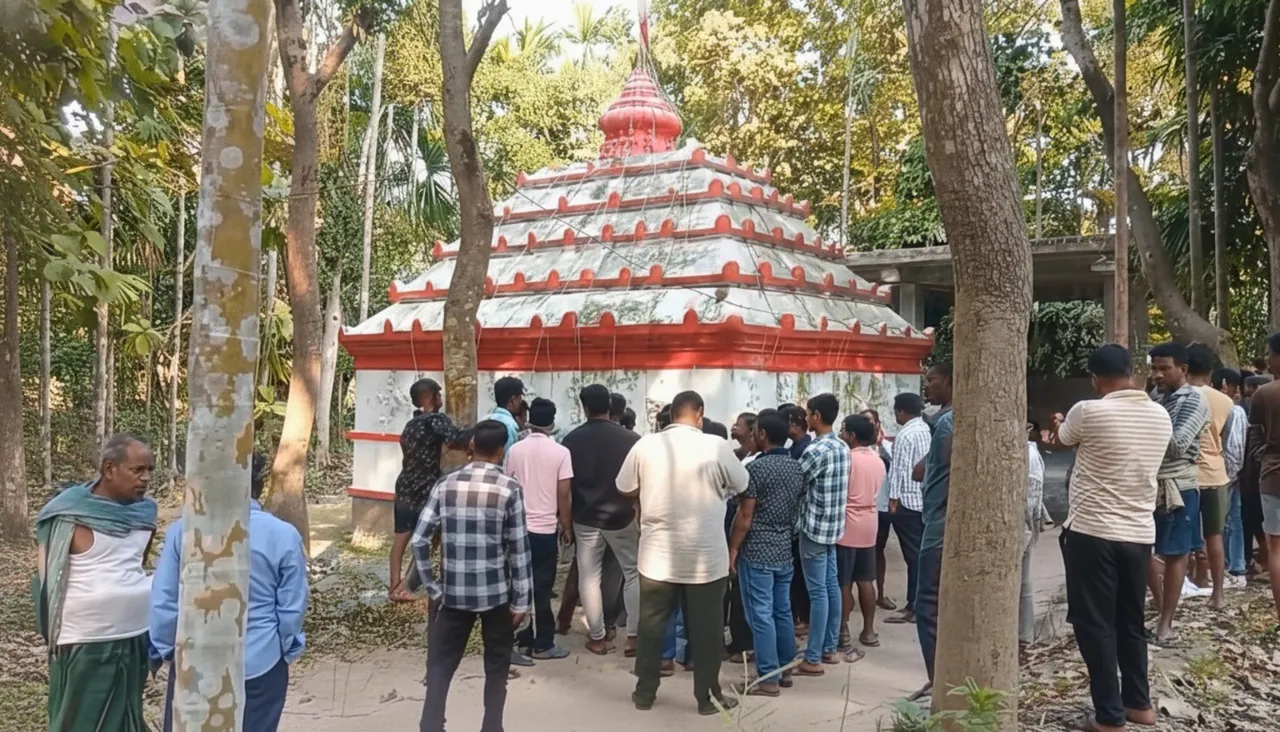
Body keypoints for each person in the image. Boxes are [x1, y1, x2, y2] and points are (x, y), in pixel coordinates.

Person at [1049, 344, 1168, 732]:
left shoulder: (1089, 409)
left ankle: (1108, 715)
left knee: (1094, 622)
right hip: (1138, 534)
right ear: (1132, 372)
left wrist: (1056, 423)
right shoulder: (1160, 415)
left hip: (1092, 532)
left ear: (1095, 378)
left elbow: (1062, 440)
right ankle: (1139, 704)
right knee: (1130, 620)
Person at [152, 454, 307, 732]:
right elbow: (290, 609)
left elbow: (165, 601)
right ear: (260, 484)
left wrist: (167, 650)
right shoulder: (283, 535)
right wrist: (287, 646)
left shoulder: (183, 531)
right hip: (260, 660)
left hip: (194, 660)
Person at [619, 390, 749, 715]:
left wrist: (643, 497)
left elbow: (623, 487)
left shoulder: (646, 445)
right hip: (706, 557)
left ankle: (644, 693)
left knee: (650, 628)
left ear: (671, 414)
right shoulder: (716, 446)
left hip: (657, 557)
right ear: (699, 414)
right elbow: (743, 485)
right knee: (707, 633)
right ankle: (707, 698)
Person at [414, 420, 533, 732]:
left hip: (453, 596)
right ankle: (492, 726)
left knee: (441, 666)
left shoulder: (445, 485)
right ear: (501, 450)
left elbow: (419, 540)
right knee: (496, 668)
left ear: (471, 447)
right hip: (496, 597)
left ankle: (431, 724)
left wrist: (433, 587)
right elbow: (519, 550)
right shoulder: (509, 488)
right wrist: (522, 602)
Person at [35, 433, 158, 732]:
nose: (145, 479)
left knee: (127, 716)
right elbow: (47, 579)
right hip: (85, 639)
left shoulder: (145, 514)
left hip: (135, 633)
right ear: (108, 469)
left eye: (149, 471)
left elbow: (135, 566)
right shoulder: (67, 514)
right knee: (80, 721)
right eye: (137, 470)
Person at [727, 413, 806, 696]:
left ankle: (768, 677)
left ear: (761, 435)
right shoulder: (796, 467)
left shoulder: (757, 470)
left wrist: (733, 548)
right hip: (784, 547)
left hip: (758, 548)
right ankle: (785, 668)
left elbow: (745, 516)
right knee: (781, 610)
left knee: (760, 614)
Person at [561, 384, 642, 656]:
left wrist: (566, 523)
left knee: (589, 576)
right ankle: (633, 637)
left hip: (585, 518)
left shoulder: (571, 440)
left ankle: (597, 638)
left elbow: (566, 486)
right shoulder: (631, 440)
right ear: (610, 406)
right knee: (633, 573)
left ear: (583, 408)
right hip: (622, 516)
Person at [1147, 342, 1209, 642]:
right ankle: (1160, 609)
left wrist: (1143, 429)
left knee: (1175, 554)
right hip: (1149, 484)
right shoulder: (1155, 397)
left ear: (1182, 370)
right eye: (1154, 368)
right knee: (1143, 549)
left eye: (1164, 368)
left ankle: (1166, 622)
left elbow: (1177, 444)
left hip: (1179, 487)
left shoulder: (1194, 401)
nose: (1157, 375)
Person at [505, 397, 573, 660]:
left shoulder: (516, 450)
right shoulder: (561, 453)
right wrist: (566, 524)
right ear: (552, 422)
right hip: (545, 529)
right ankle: (543, 642)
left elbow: (508, 484)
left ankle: (520, 637)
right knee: (542, 587)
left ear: (530, 420)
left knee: (519, 585)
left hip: (518, 528)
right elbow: (564, 493)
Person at [390, 378, 468, 603]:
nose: (442, 399)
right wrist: (480, 430)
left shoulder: (411, 424)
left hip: (405, 484)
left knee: (401, 538)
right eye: (439, 395)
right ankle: (406, 586)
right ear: (431, 398)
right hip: (425, 488)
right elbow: (456, 439)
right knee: (424, 538)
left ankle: (394, 585)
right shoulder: (437, 420)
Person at [794, 393, 850, 677]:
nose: (806, 418)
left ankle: (814, 655)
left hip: (815, 528)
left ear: (816, 417)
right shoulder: (842, 447)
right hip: (833, 528)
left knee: (819, 592)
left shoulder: (816, 451)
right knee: (829, 587)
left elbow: (797, 482)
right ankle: (828, 648)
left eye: (808, 413)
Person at [1185, 344, 1234, 609]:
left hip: (1187, 475)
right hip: (1216, 474)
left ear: (1184, 367)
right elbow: (1230, 443)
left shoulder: (1178, 395)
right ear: (1210, 370)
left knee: (1181, 537)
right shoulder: (1225, 401)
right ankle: (1218, 594)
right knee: (1214, 536)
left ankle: (1183, 586)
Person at [915, 363, 954, 694]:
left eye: (933, 380)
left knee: (926, 604)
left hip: (938, 523)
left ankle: (937, 681)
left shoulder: (946, 424)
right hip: (940, 519)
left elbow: (943, 472)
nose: (927, 385)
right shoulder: (943, 421)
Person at [836, 414, 886, 661]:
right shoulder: (877, 459)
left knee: (843, 581)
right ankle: (869, 630)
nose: (841, 435)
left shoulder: (847, 458)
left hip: (848, 522)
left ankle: (842, 629)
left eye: (843, 431)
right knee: (866, 580)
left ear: (852, 436)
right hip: (870, 520)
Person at [883, 392, 930, 624]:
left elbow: (899, 470)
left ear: (901, 411)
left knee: (913, 558)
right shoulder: (927, 429)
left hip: (907, 503)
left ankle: (914, 605)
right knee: (921, 555)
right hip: (924, 501)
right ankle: (920, 603)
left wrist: (892, 500)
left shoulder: (905, 435)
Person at [1250, 333, 1280, 621]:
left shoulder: (1264, 394)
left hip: (1273, 476)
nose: (1266, 359)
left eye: (1269, 353)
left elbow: (1255, 437)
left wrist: (1265, 459)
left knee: (1276, 547)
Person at [1213, 368, 1249, 589]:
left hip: (1225, 474)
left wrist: (1230, 474)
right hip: (1230, 472)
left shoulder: (1233, 411)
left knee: (1225, 522)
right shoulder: (1232, 409)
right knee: (1232, 521)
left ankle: (1233, 567)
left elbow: (1235, 448)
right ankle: (1234, 566)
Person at [1020, 417, 1047, 647]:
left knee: (1023, 583)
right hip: (1025, 523)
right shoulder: (1029, 453)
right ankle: (1023, 633)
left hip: (1023, 524)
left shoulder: (1028, 455)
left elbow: (1031, 500)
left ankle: (1024, 634)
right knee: (1022, 582)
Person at [487, 376, 527, 451]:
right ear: (513, 400)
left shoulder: (486, 420)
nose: (521, 402)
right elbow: (508, 457)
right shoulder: (510, 426)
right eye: (520, 398)